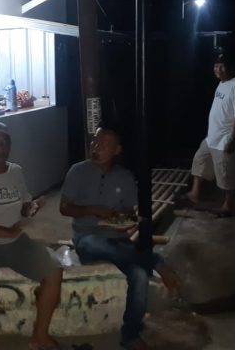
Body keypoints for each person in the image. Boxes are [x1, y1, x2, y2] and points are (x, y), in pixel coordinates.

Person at [60, 124, 179, 350]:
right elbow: (64, 208)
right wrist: (92, 210)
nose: (96, 147)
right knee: (96, 243)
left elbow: (129, 212)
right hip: (87, 236)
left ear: (117, 150)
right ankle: (153, 260)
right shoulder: (77, 171)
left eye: (104, 144)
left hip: (117, 239)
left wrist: (120, 218)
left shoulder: (124, 177)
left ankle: (130, 334)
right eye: (95, 141)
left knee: (139, 275)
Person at [0, 122, 63, 350]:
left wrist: (32, 206)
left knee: (54, 271)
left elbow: (23, 206)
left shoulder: (16, 171)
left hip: (14, 242)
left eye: (5, 142)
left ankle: (40, 336)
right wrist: (6, 231)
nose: (1, 148)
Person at [183, 52, 235, 217]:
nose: (218, 69)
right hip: (212, 137)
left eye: (222, 66)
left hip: (225, 139)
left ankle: (228, 206)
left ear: (231, 67)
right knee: (199, 160)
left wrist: (232, 139)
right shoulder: (221, 84)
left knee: (226, 173)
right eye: (216, 66)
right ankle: (194, 194)